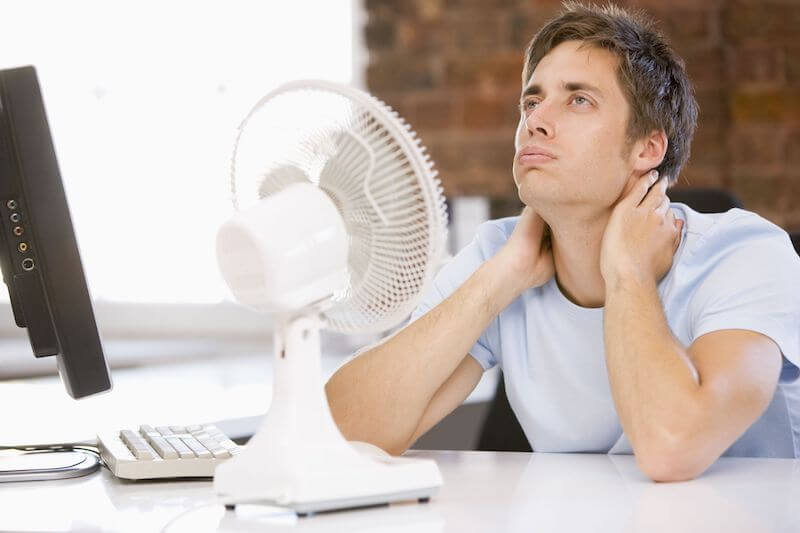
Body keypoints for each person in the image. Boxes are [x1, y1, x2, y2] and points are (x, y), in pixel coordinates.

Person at [325, 1, 800, 482]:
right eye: (532, 102)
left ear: (648, 148)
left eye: (579, 100)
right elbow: (337, 437)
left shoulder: (744, 252)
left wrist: (628, 273)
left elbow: (672, 449)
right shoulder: (501, 255)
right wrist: (501, 280)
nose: (535, 121)